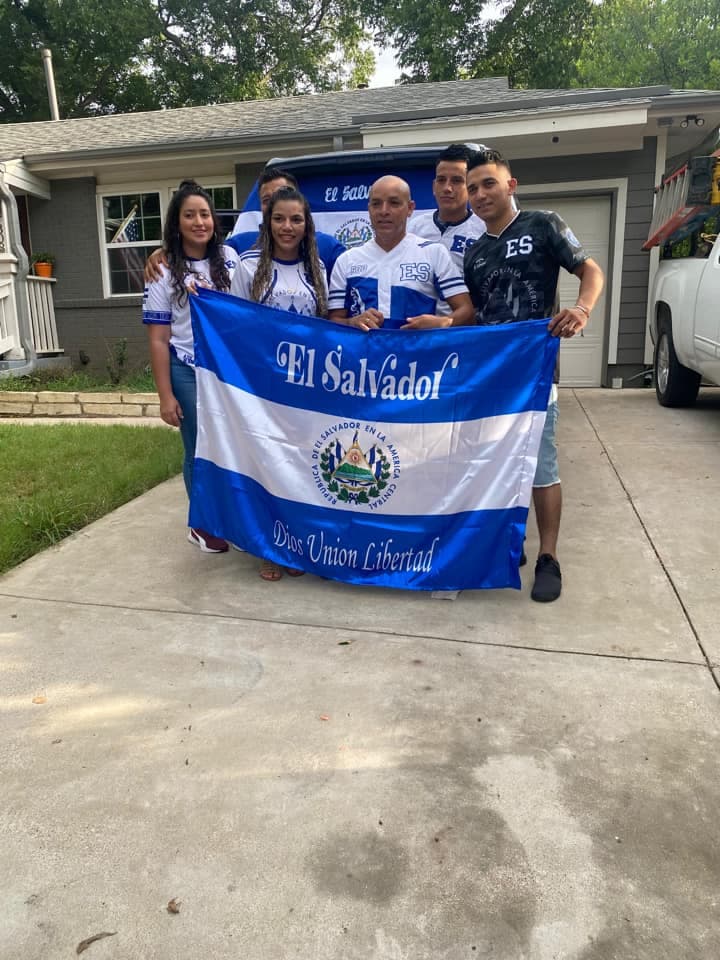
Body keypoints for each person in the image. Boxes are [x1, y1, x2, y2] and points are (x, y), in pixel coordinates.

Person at [464, 149, 605, 603]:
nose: (479, 194)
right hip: (491, 378)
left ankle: (548, 557)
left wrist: (582, 308)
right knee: (496, 464)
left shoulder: (543, 225)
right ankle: (509, 544)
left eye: (488, 184)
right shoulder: (475, 251)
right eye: (472, 188)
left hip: (536, 374)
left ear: (511, 185)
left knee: (541, 467)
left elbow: (591, 270)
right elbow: (476, 316)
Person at [230, 186, 328, 580]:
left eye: (296, 219)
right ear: (267, 223)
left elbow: (325, 330)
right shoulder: (248, 266)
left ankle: (300, 541)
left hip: (306, 392)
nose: (287, 227)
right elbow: (233, 326)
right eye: (279, 219)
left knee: (303, 467)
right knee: (269, 466)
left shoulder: (317, 270)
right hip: (264, 390)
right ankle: (271, 546)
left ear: (307, 225)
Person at [143, 180, 237, 554]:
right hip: (187, 369)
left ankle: (229, 516)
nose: (199, 222)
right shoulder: (162, 270)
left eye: (205, 214)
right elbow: (158, 339)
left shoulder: (229, 259)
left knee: (230, 443)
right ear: (176, 222)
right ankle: (201, 523)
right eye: (189, 215)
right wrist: (165, 395)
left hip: (227, 371)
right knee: (199, 445)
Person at [143, 168, 345, 285]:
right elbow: (202, 249)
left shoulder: (328, 247)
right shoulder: (240, 245)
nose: (277, 202)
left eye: (284, 194)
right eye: (267, 199)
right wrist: (166, 251)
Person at [327, 175, 474, 331]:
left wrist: (442, 322)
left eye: (394, 203)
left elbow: (467, 312)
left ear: (410, 208)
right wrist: (352, 322)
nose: (384, 211)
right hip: (365, 355)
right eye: (376, 204)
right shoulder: (347, 260)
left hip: (419, 353)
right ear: (369, 209)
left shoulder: (433, 253)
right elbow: (333, 322)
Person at [411, 144, 487, 269]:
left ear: (471, 187)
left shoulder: (484, 231)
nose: (447, 188)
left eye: (456, 181)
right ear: (434, 186)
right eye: (441, 180)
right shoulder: (414, 229)